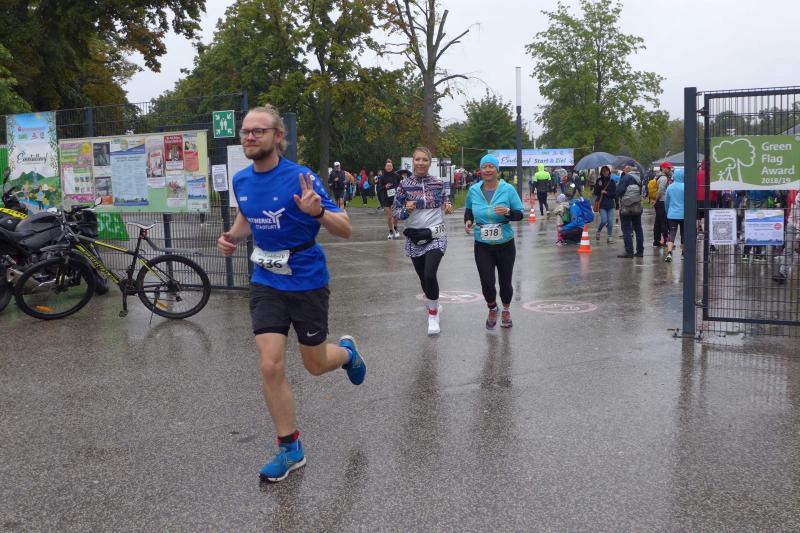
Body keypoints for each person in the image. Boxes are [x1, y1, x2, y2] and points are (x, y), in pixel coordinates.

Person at [217, 105, 366, 483]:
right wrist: (233, 237)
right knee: (270, 364)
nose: (250, 137)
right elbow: (247, 217)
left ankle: (347, 354)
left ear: (278, 136)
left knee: (315, 365)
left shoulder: (301, 178)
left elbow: (345, 228)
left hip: (306, 280)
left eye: (259, 131)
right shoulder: (241, 180)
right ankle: (290, 448)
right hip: (266, 281)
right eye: (246, 131)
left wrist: (318, 214)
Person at [393, 147, 453, 335]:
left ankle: (433, 316)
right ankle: (434, 303)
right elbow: (396, 213)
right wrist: (406, 210)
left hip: (436, 235)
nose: (421, 163)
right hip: (415, 237)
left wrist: (448, 206)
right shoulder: (404, 185)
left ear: (429, 162)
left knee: (429, 274)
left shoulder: (438, 183)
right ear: (413, 161)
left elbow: (447, 202)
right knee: (423, 279)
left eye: (424, 160)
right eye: (417, 159)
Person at [464, 154, 524, 329]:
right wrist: (468, 220)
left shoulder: (508, 189)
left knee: (505, 281)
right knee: (487, 281)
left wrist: (507, 212)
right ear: (480, 170)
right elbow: (469, 209)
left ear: (497, 170)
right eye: (484, 167)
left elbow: (520, 214)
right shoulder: (473, 190)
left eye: (491, 166)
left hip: (505, 244)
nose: (488, 170)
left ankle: (506, 310)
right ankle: (492, 307)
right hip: (482, 245)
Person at [616, 161, 645, 258]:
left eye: (625, 167)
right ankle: (640, 252)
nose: (624, 169)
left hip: (626, 208)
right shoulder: (640, 178)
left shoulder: (626, 178)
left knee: (626, 230)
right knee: (638, 229)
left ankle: (629, 252)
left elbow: (618, 192)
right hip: (637, 207)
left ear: (629, 168)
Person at [664, 167, 685, 263]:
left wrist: (667, 211)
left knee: (672, 233)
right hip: (684, 214)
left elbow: (667, 202)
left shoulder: (670, 187)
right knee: (684, 234)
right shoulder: (685, 187)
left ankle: (669, 252)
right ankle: (684, 253)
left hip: (672, 214)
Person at [377, 159, 401, 239]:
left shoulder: (396, 176)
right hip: (386, 198)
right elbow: (379, 188)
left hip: (394, 198)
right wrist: (385, 186)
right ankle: (390, 231)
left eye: (390, 166)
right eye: (387, 166)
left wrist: (398, 189)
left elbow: (400, 185)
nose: (389, 167)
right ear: (385, 167)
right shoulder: (382, 177)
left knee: (395, 216)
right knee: (389, 216)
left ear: (392, 167)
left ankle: (396, 229)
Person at [593, 165, 616, 243]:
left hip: (610, 204)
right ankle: (598, 231)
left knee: (610, 221)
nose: (605, 172)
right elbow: (595, 192)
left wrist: (606, 192)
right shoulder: (599, 180)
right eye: (603, 171)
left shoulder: (612, 181)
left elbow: (614, 194)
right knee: (604, 220)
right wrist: (600, 188)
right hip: (601, 204)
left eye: (606, 171)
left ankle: (609, 237)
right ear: (601, 172)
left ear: (609, 172)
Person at [652, 162, 672, 248]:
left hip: (659, 202)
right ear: (663, 168)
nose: (669, 169)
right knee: (664, 222)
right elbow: (660, 190)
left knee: (658, 222)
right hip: (662, 201)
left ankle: (656, 241)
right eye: (668, 168)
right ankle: (665, 241)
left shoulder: (657, 176)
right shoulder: (663, 178)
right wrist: (656, 200)